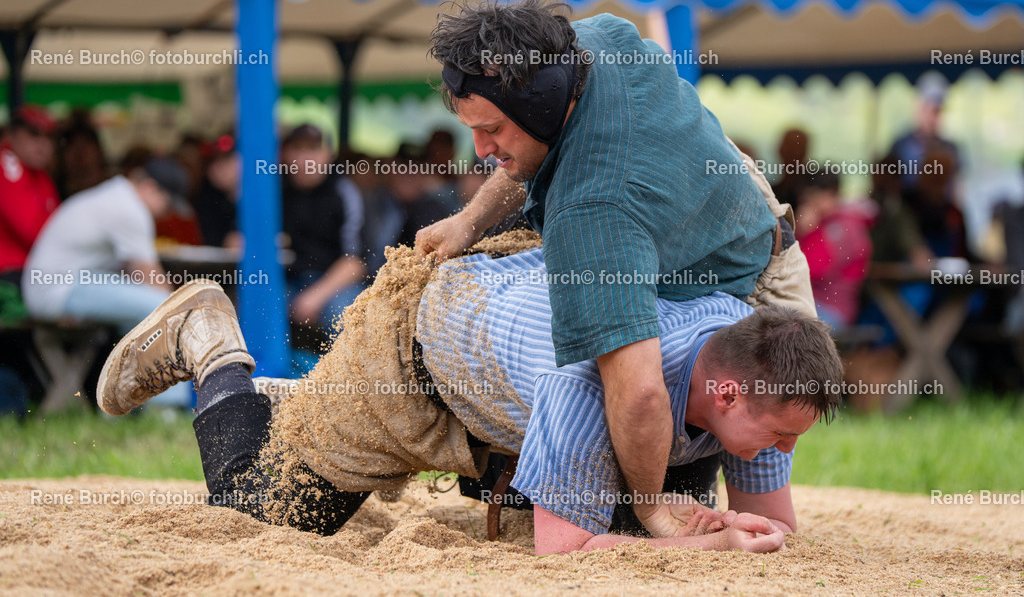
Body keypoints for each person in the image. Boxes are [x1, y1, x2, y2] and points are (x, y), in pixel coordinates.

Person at [95, 238, 843, 554]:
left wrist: (741, 528)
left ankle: (291, 397)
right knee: (269, 509)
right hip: (417, 359)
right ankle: (214, 345)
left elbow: (776, 523)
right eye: (779, 437)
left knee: (654, 517)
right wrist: (712, 545)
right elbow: (567, 551)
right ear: (728, 389)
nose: (784, 454)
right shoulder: (589, 375)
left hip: (511, 332)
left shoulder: (746, 340)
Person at [415, 0, 816, 534]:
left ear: (539, 104)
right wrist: (468, 222)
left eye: (491, 130)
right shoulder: (588, 42)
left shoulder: (593, 210)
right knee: (667, 441)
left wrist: (654, 507)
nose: (481, 150)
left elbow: (641, 387)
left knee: (733, 430)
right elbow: (530, 151)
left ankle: (677, 513)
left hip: (749, 279)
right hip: (717, 225)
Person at [20, 157, 183, 332]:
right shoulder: (130, 208)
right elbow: (152, 280)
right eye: (168, 205)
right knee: (164, 309)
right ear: (150, 187)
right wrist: (187, 312)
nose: (168, 213)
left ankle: (127, 359)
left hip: (56, 286)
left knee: (143, 311)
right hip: (56, 290)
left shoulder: (118, 194)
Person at [280, 124, 366, 333]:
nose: (305, 158)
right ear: (284, 154)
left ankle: (347, 367)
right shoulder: (273, 190)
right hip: (284, 281)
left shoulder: (344, 193)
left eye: (313, 149)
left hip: (332, 285)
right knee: (254, 302)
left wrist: (315, 296)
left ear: (328, 154)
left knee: (348, 312)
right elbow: (235, 240)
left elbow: (355, 262)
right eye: (298, 149)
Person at [794, 169, 872, 330]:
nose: (807, 205)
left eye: (812, 198)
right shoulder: (826, 223)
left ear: (830, 193)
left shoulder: (844, 227)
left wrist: (807, 232)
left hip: (833, 310)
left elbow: (813, 269)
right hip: (811, 304)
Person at [0, 105, 60, 293]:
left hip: (32, 271)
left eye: (48, 136)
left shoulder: (39, 174)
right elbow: (34, 231)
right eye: (34, 134)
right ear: (12, 135)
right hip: (9, 274)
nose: (42, 143)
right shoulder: (7, 164)